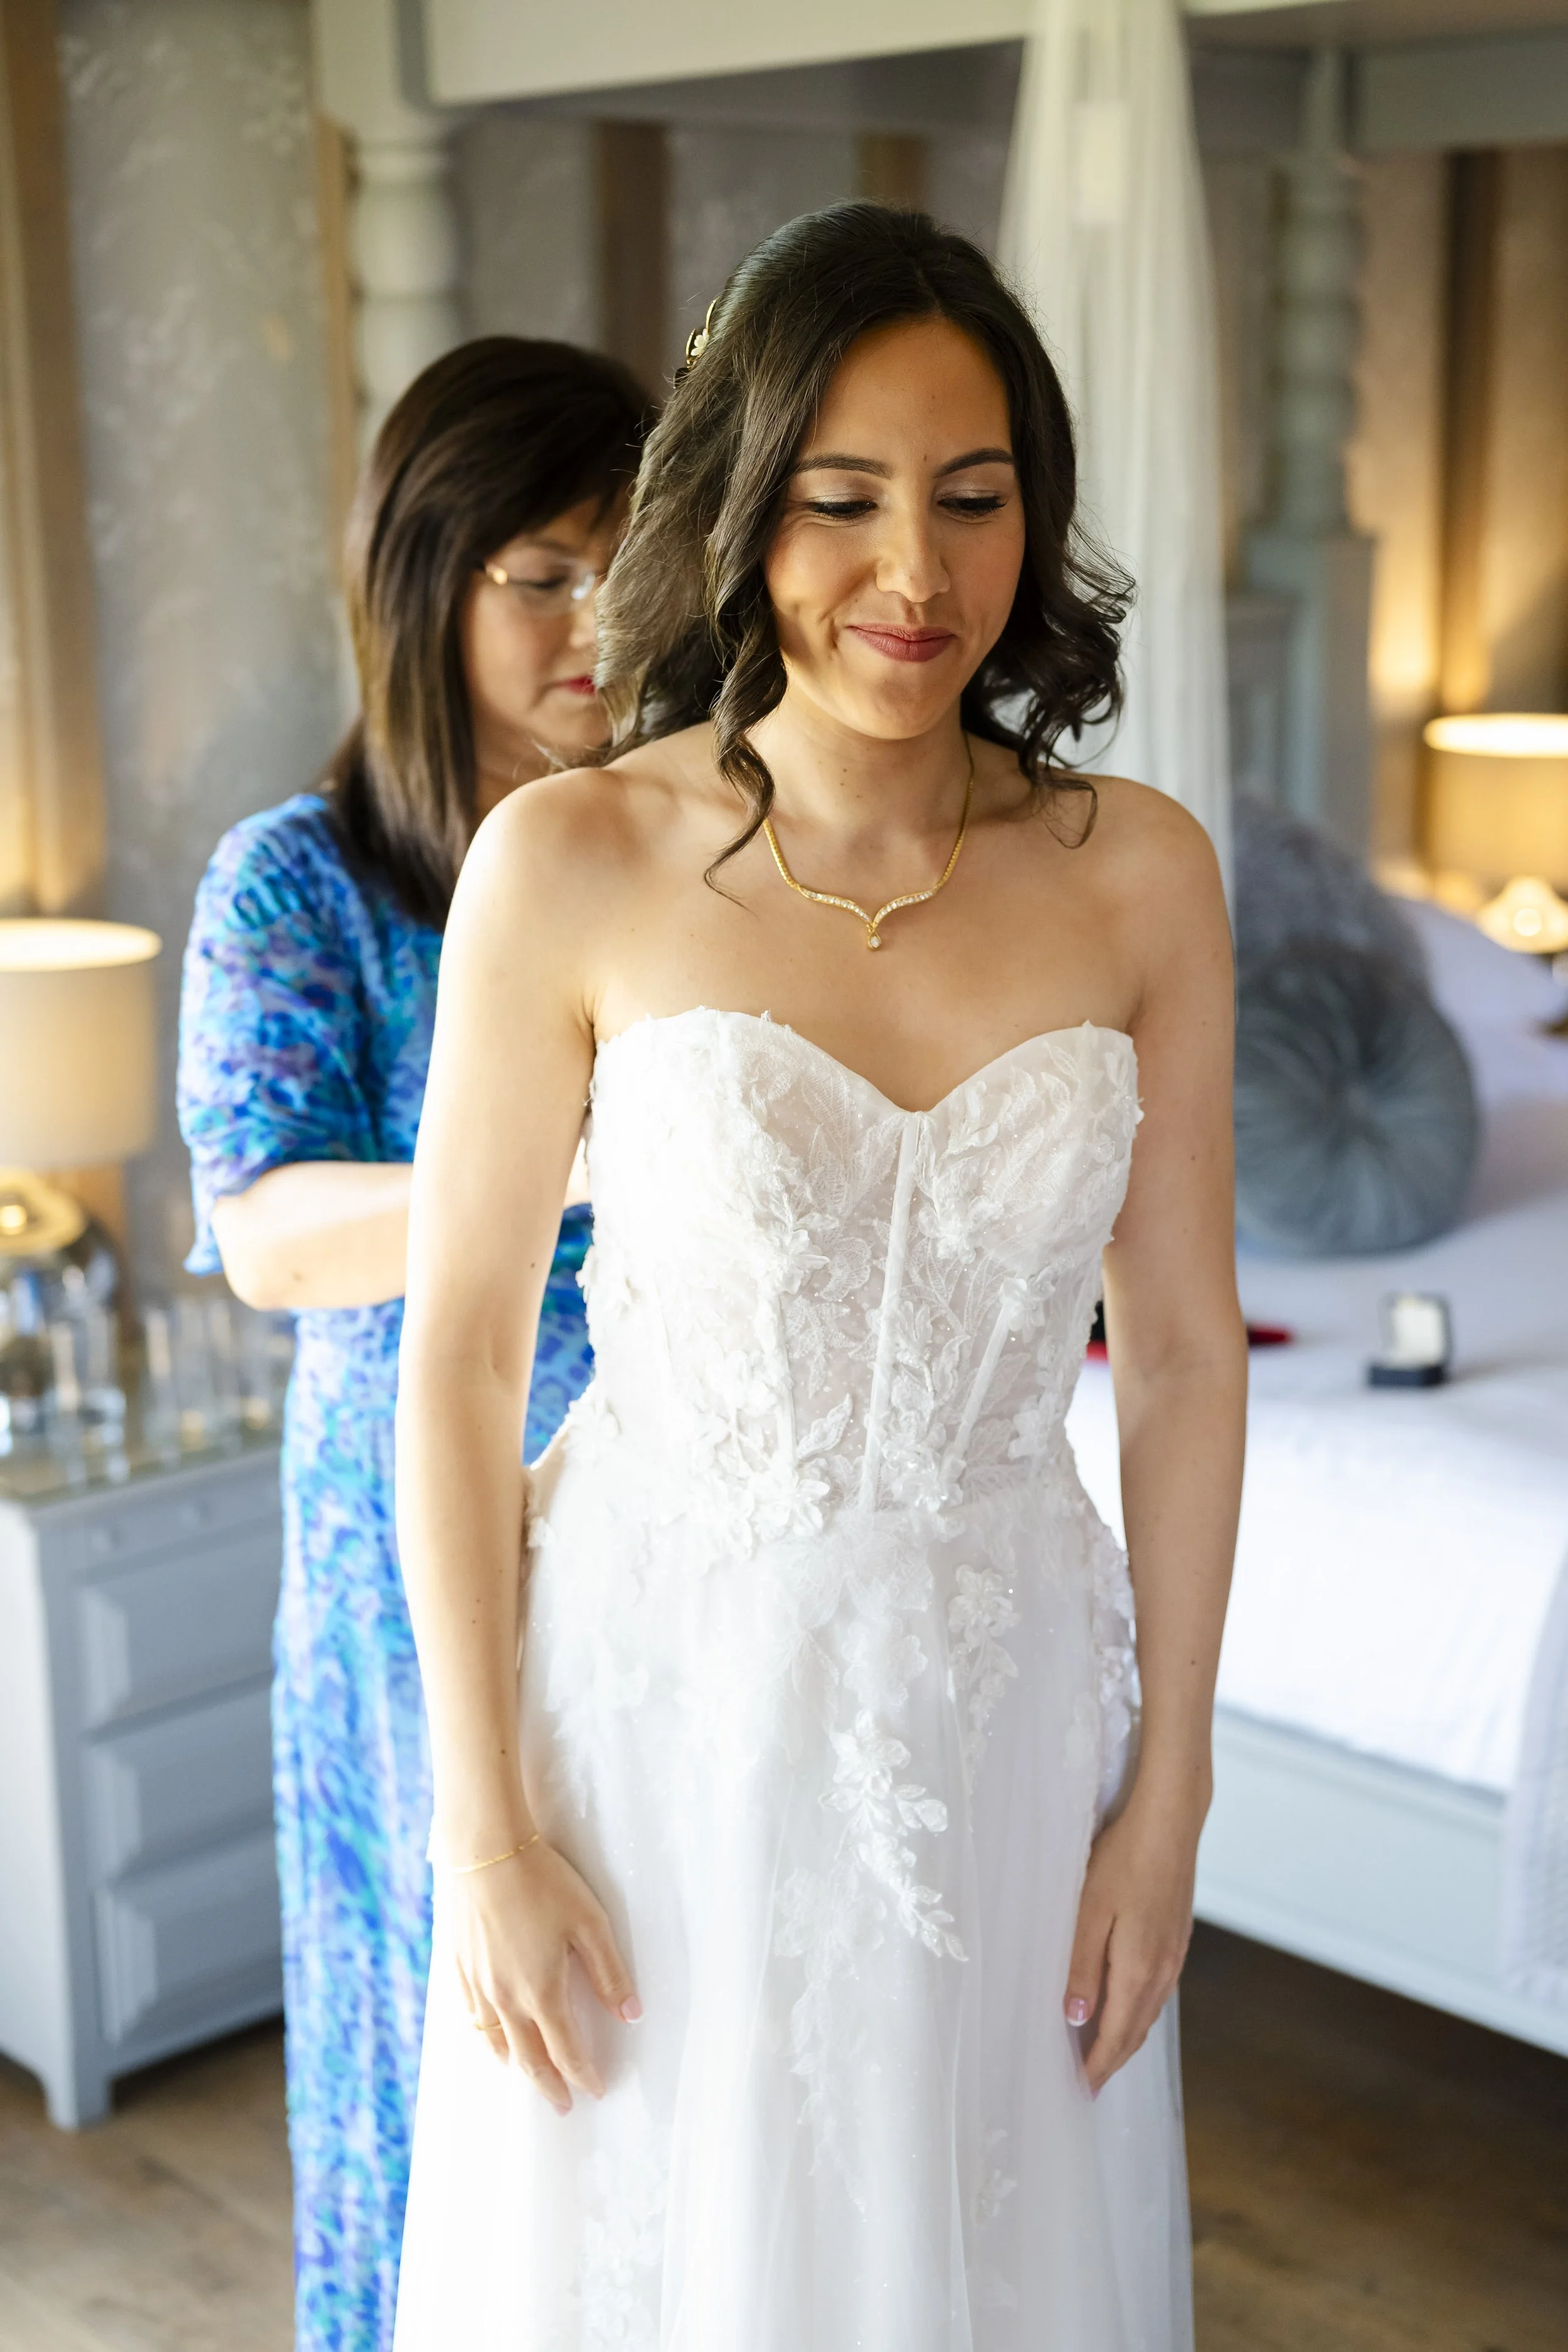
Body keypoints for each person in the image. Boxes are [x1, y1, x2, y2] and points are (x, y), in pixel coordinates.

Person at [391, 208, 1246, 2351]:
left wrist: (1172, 1795)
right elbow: (464, 1357)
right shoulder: (571, 863)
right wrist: (483, 1824)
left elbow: (1179, 1366)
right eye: (839, 502)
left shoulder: (1134, 873)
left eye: (973, 502)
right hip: (660, 1715)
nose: (916, 579)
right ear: (740, 509)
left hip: (1013, 1710)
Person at [176, 336, 652, 2352]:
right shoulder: (298, 883)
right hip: (408, 1568)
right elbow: (265, 1235)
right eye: (540, 574)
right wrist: (550, 1161)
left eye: (627, 573)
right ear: (425, 578)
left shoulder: (676, 849)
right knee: (436, 2046)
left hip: (660, 1533)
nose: (593, 628)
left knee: (646, 2046)